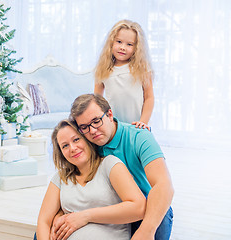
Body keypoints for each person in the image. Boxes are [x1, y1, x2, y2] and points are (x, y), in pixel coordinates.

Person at [68, 94, 174, 240]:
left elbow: (164, 185)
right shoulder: (85, 144)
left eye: (96, 121)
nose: (92, 131)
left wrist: (146, 230)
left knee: (159, 215)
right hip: (106, 208)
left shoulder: (139, 136)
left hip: (143, 208)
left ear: (109, 115)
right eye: (84, 127)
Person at [36, 119, 146, 240]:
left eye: (76, 139)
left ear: (87, 139)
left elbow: (138, 208)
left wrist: (85, 216)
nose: (72, 148)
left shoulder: (110, 165)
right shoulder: (61, 178)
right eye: (65, 146)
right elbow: (43, 221)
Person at [94, 19, 154, 130]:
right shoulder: (103, 68)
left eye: (129, 44)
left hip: (137, 126)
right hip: (113, 127)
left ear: (137, 48)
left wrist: (143, 122)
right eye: (119, 42)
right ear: (111, 42)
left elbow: (149, 97)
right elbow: (97, 99)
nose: (123, 47)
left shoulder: (142, 68)